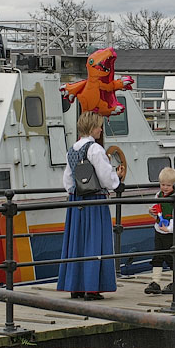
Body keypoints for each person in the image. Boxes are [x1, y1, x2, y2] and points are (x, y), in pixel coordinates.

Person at [57, 111, 124, 301]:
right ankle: (92, 288)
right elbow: (105, 176)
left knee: (76, 242)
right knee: (95, 242)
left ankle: (75, 286)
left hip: (76, 201)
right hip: (94, 201)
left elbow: (68, 180)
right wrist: (116, 183)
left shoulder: (73, 149)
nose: (101, 129)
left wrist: (74, 194)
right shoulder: (95, 149)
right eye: (99, 126)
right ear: (93, 128)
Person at [144, 167, 175, 295]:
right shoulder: (158, 195)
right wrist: (152, 212)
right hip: (159, 231)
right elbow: (157, 211)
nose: (165, 188)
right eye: (162, 185)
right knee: (157, 256)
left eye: (168, 185)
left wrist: (170, 228)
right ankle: (155, 282)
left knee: (172, 258)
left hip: (171, 233)